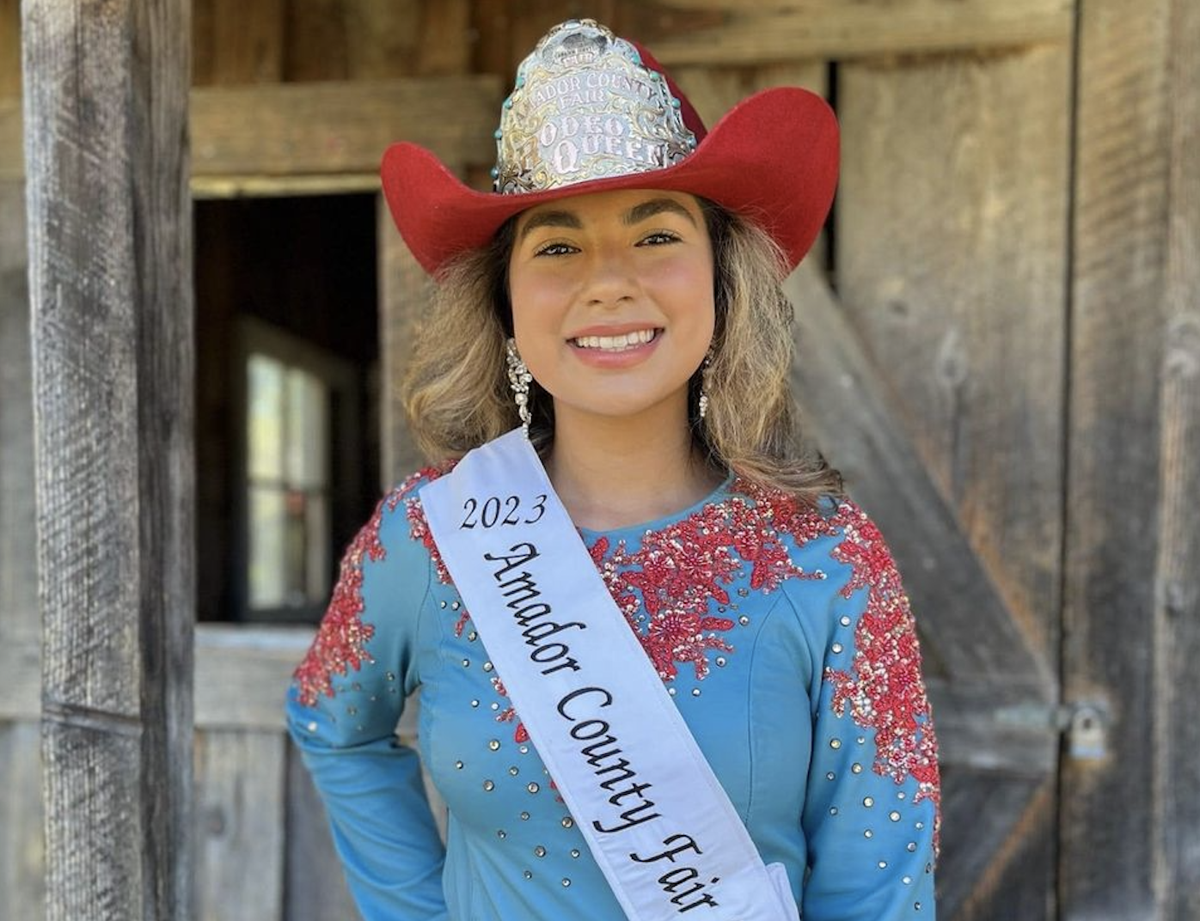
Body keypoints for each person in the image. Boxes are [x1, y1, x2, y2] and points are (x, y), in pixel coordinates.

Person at [285, 18, 940, 921]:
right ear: (507, 302)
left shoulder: (827, 559)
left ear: (721, 278)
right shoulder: (431, 538)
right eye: (557, 246)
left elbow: (879, 886)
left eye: (657, 235)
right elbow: (332, 722)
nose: (609, 282)